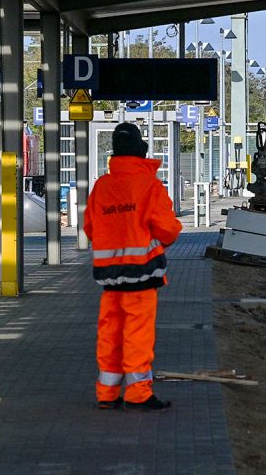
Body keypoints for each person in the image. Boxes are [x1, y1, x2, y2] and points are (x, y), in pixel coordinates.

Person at [84, 123, 182, 411]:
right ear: (141, 150)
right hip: (141, 275)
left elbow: (90, 226)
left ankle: (107, 393)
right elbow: (167, 230)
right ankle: (138, 393)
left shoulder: (102, 186)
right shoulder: (148, 185)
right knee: (137, 334)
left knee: (110, 332)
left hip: (109, 277)